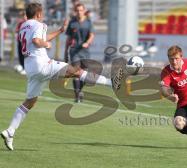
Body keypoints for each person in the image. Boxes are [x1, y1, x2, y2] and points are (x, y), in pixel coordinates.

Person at [1, 2, 122, 151]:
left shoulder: (23, 27)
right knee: (77, 71)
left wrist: (59, 31)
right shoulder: (40, 24)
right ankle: (112, 83)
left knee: (29, 102)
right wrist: (46, 44)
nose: (43, 15)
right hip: (42, 64)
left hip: (31, 68)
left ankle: (10, 131)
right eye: (42, 13)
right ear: (38, 14)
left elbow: (35, 39)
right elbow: (37, 41)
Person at [64, 3, 95, 103]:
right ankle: (77, 95)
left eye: (81, 10)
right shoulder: (72, 22)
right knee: (76, 72)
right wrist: (65, 51)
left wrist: (87, 43)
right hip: (74, 51)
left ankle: (80, 91)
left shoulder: (88, 22)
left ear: (84, 10)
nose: (79, 12)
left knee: (84, 74)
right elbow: (68, 38)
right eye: (77, 10)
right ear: (75, 11)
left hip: (85, 51)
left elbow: (92, 35)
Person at [15, 10, 27, 75]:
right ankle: (22, 66)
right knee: (20, 55)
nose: (24, 17)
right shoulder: (21, 23)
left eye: (25, 15)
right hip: (20, 40)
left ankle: (26, 68)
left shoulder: (29, 23)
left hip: (25, 42)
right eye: (23, 16)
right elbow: (16, 30)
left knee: (25, 55)